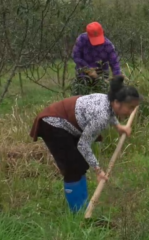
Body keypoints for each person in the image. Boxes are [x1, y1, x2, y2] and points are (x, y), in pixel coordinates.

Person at [30, 76, 141, 213]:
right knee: (72, 168)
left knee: (80, 164)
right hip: (53, 123)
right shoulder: (102, 116)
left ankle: (83, 205)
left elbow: (111, 113)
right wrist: (98, 170)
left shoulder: (108, 101)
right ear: (117, 102)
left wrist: (119, 127)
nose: (131, 112)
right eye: (129, 108)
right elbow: (83, 145)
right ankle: (78, 212)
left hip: (67, 124)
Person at [71, 22, 123, 95]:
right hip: (83, 73)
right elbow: (76, 56)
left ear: (103, 32)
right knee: (82, 96)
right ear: (88, 34)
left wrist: (117, 78)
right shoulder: (82, 39)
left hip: (102, 74)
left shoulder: (108, 45)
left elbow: (114, 63)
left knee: (101, 96)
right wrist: (88, 69)